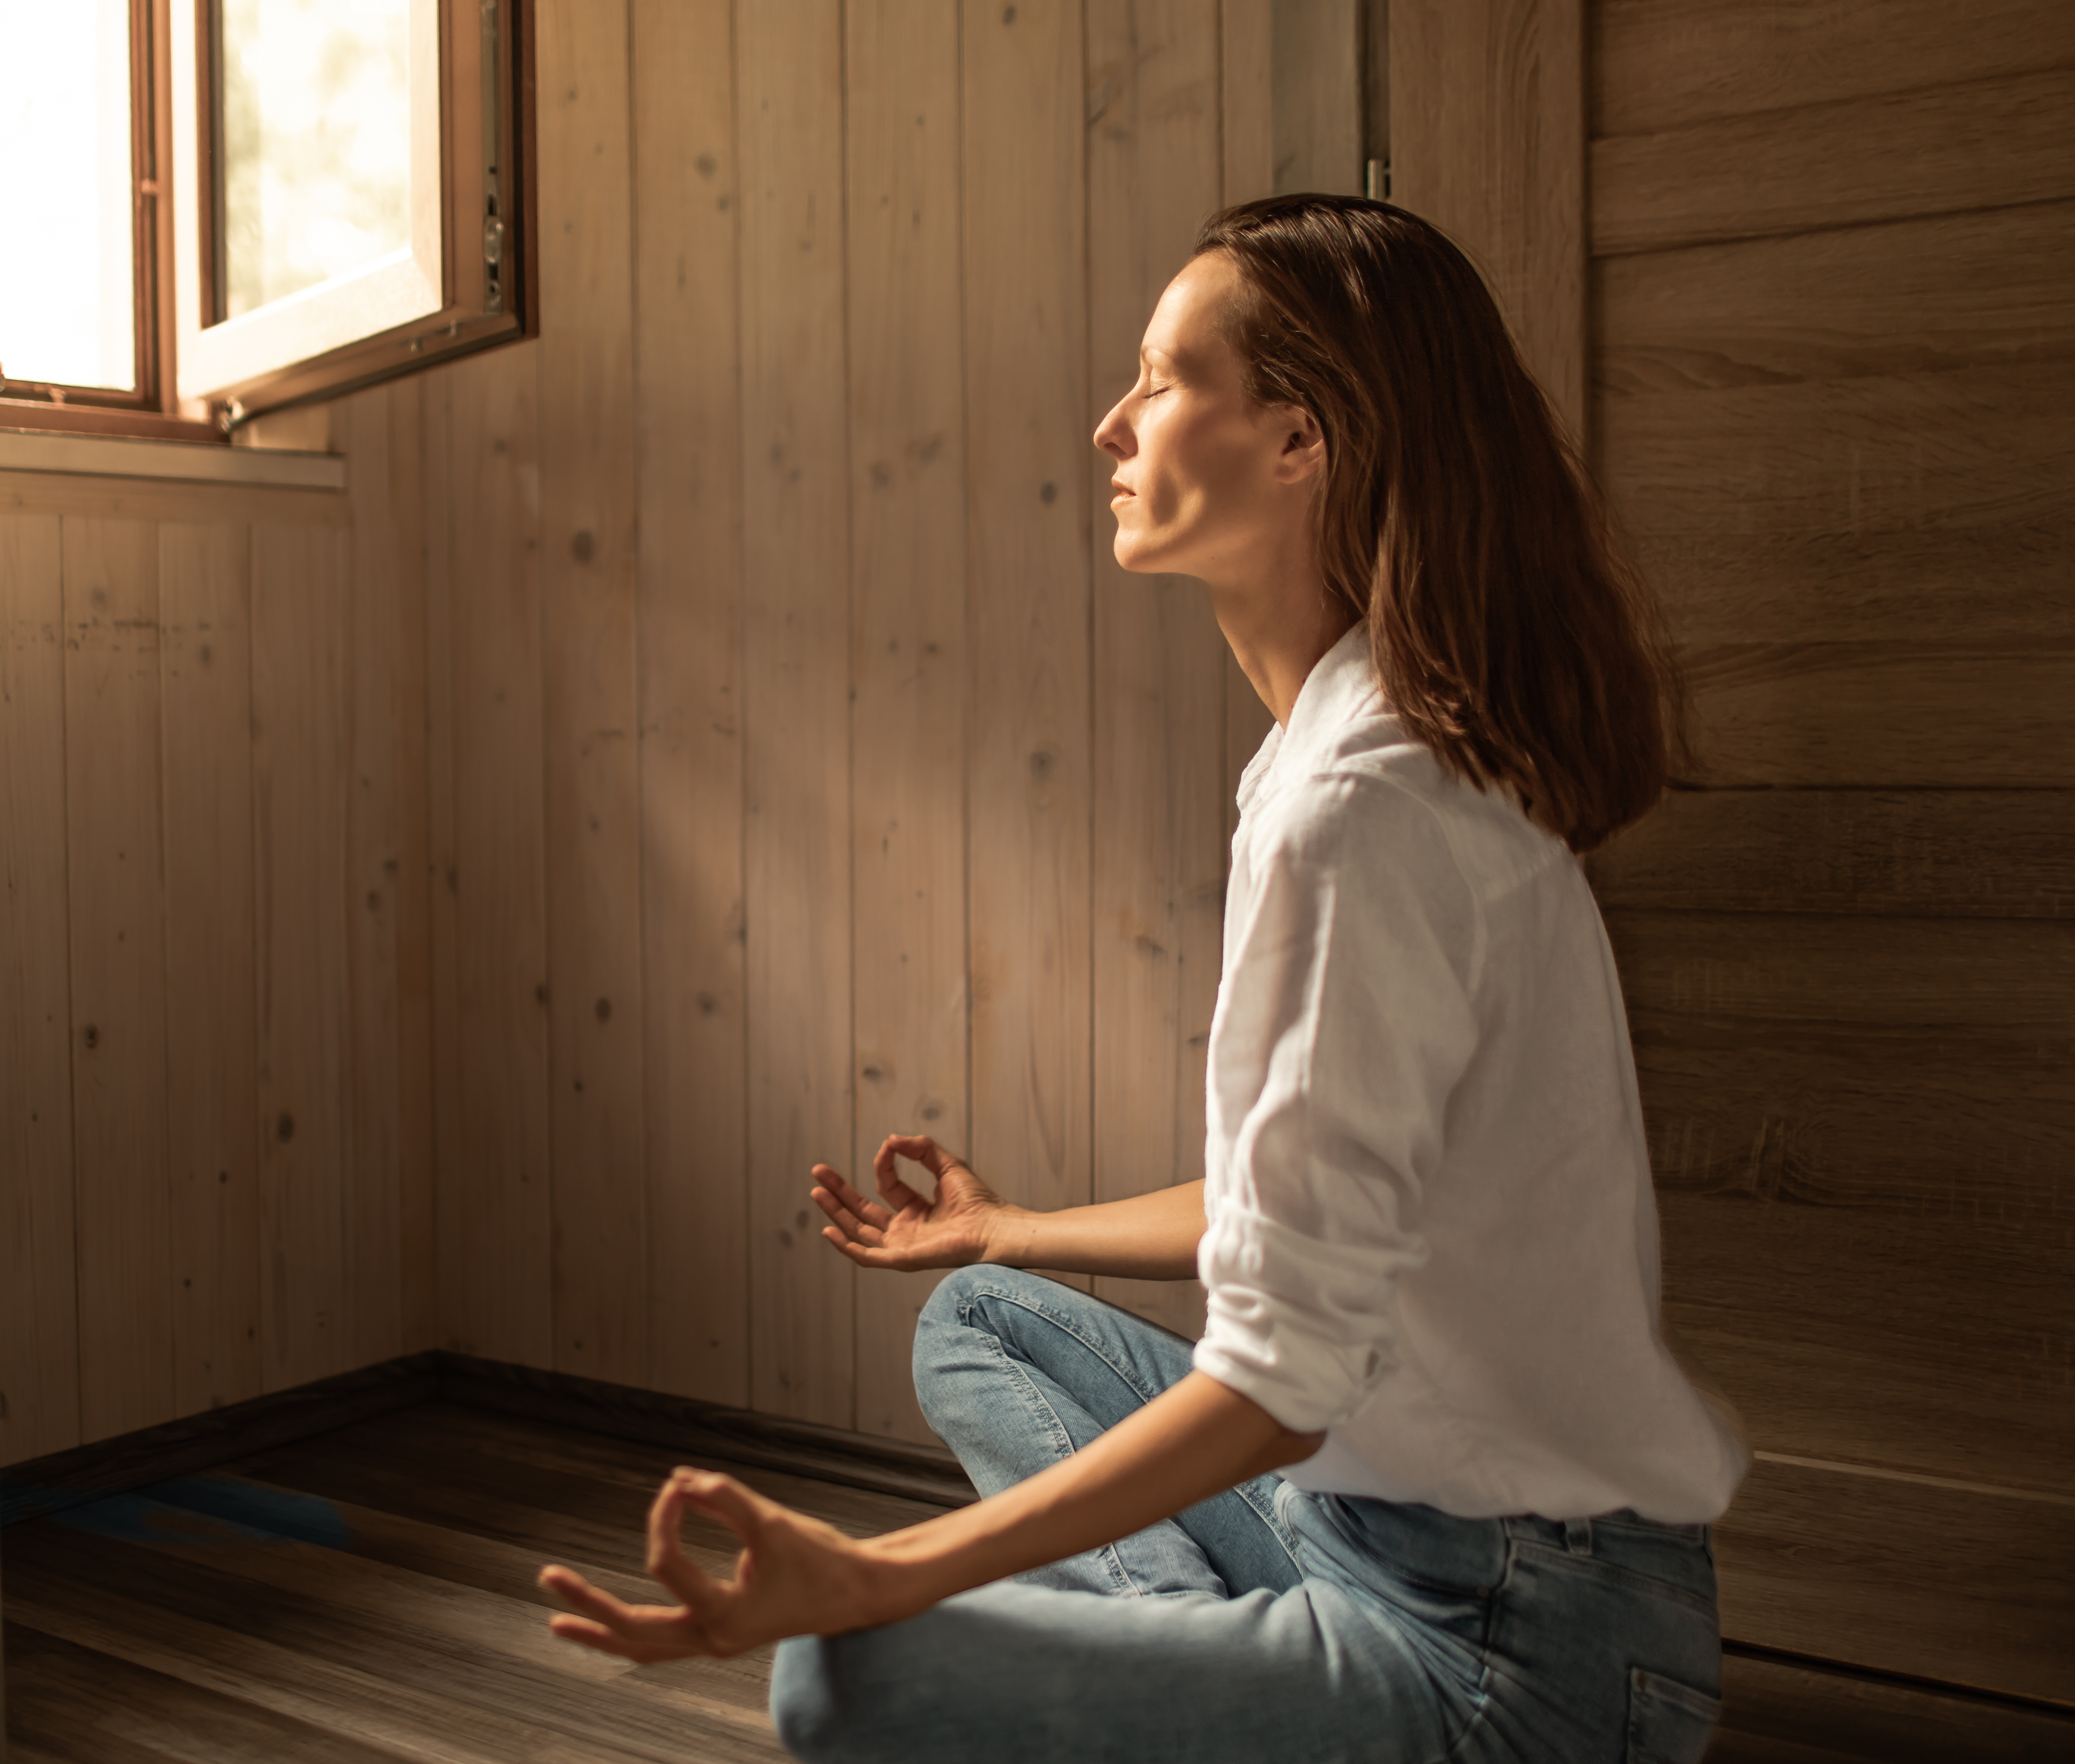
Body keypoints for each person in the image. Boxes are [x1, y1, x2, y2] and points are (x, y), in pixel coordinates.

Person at [534, 193, 1749, 1764]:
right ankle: (1215, 1678)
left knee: (842, 1678)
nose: (1113, 421)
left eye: (1165, 379)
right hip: (1384, 1537)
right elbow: (1312, 1223)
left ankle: (1211, 1686)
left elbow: (1285, 1382)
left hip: (1506, 1646)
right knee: (980, 1311)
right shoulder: (1349, 747)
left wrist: (880, 1572)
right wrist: (1011, 1226)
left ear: (1301, 440)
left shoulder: (1362, 805)